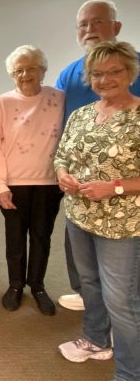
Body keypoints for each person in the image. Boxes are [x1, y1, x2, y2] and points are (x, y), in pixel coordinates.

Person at [55, 41, 140, 380]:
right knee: (88, 283)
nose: (105, 80)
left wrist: (114, 187)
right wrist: (63, 175)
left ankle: (130, 372)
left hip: (122, 226)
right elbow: (61, 155)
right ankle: (95, 339)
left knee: (121, 300)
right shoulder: (81, 115)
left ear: (130, 72)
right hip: (79, 216)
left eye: (114, 72)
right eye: (98, 74)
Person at [0, 45, 65, 316]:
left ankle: (38, 286)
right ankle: (16, 285)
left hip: (49, 183)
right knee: (16, 238)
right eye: (18, 70)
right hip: (13, 184)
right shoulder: (3, 103)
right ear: (12, 75)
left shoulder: (60, 98)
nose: (25, 74)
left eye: (31, 67)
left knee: (42, 237)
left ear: (42, 70)